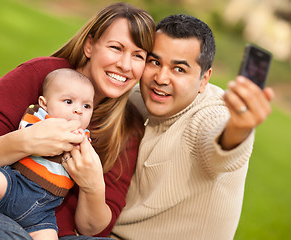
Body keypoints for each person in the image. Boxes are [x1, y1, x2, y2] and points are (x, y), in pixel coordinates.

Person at [0, 2, 155, 240]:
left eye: (138, 55)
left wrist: (93, 186)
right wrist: (26, 141)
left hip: (46, 228)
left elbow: (94, 229)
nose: (125, 65)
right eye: (116, 48)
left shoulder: (127, 127)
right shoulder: (41, 75)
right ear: (90, 45)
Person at [111, 14, 274, 239]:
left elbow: (222, 144)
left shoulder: (212, 114)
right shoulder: (135, 98)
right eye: (155, 62)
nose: (161, 78)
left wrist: (239, 127)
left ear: (204, 79)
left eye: (179, 69)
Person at [0, 68, 94, 240]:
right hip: (15, 185)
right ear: (44, 104)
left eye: (86, 106)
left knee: (49, 235)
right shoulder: (38, 118)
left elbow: (85, 164)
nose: (79, 111)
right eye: (68, 102)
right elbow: (27, 132)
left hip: (43, 210)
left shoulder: (84, 138)